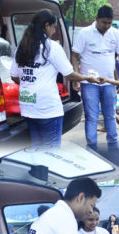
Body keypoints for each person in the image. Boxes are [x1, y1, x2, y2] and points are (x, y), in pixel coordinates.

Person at [10, 9, 100, 149]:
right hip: (47, 108)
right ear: (47, 25)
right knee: (51, 152)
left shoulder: (21, 48)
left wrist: (30, 84)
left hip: (28, 105)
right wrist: (87, 77)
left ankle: (38, 170)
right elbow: (68, 74)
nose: (54, 30)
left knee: (37, 148)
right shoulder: (52, 47)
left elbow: (14, 76)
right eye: (54, 27)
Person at [71, 5, 119, 151]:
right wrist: (77, 77)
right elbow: (74, 55)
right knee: (91, 116)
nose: (107, 26)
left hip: (109, 83)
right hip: (89, 84)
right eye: (104, 22)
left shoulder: (115, 33)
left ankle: (113, 147)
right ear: (96, 19)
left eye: (109, 23)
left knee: (110, 115)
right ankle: (92, 148)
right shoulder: (85, 33)